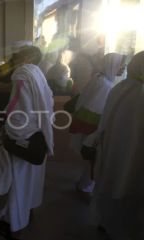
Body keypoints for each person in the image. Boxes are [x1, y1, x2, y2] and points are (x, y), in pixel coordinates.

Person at [0, 46, 54, 240]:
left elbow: (18, 107)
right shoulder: (37, 73)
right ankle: (28, 212)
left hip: (23, 135)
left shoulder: (22, 73)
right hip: (38, 133)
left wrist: (8, 128)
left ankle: (14, 227)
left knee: (18, 181)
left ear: (28, 57)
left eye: (19, 53)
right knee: (32, 179)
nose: (15, 55)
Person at [92, 51, 144, 240]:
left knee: (112, 181)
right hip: (136, 154)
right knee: (130, 188)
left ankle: (106, 222)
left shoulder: (120, 87)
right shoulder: (139, 93)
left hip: (113, 148)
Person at [69, 53, 126, 194]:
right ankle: (85, 187)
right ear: (112, 65)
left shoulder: (99, 78)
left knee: (89, 161)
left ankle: (84, 184)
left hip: (86, 126)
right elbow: (95, 110)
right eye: (121, 65)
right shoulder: (105, 85)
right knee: (93, 160)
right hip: (92, 128)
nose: (124, 68)